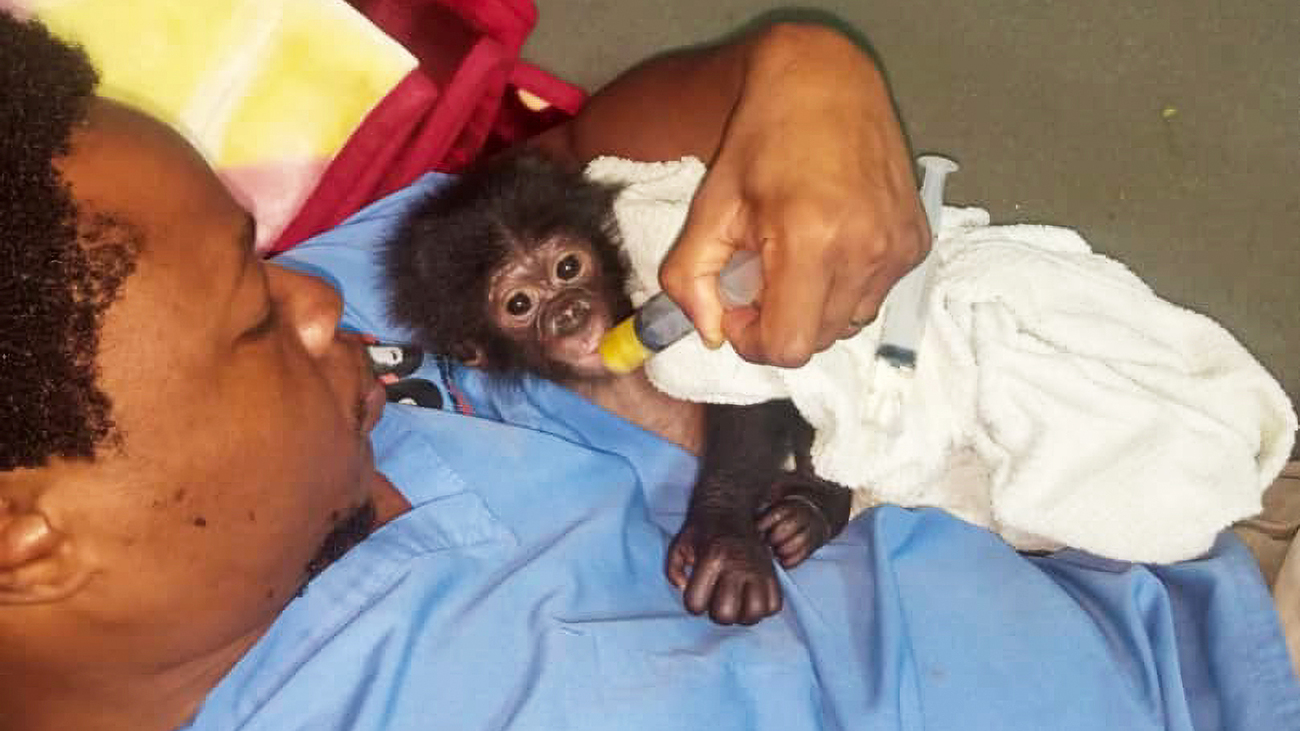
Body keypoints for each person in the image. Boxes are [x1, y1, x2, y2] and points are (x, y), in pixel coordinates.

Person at [2, 12, 1297, 731]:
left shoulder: (325, 364)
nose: (315, 295)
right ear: (26, 542)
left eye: (258, 249)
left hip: (1141, 521)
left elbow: (583, 183)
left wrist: (795, 79)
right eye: (251, 314)